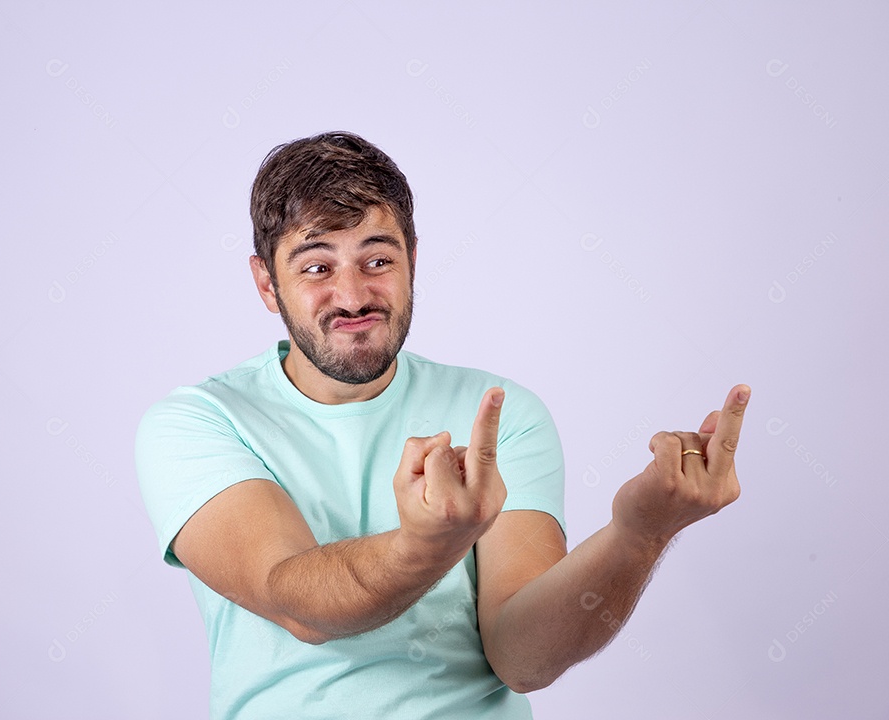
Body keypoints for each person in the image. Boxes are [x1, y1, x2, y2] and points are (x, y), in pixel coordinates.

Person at [134, 131, 749, 719]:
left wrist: (639, 533)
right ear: (267, 283)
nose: (352, 295)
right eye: (316, 267)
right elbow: (299, 603)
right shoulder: (198, 423)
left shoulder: (498, 415)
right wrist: (428, 544)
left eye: (377, 259)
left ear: (413, 261)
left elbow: (523, 659)